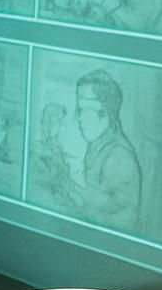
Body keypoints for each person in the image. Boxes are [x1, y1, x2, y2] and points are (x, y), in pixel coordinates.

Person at [43, 71, 144, 234]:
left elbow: (115, 215)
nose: (78, 119)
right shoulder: (98, 145)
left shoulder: (119, 155)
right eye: (78, 110)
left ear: (105, 113)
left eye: (84, 110)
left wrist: (75, 189)